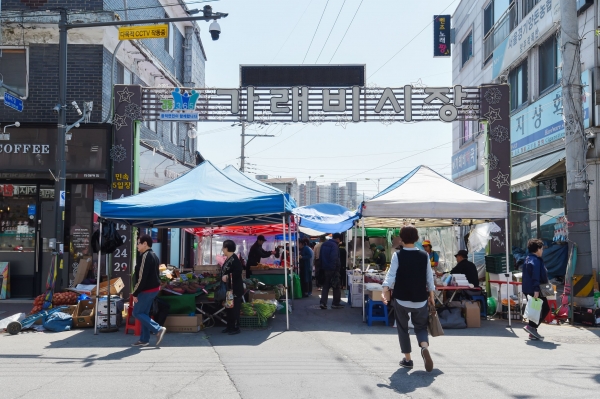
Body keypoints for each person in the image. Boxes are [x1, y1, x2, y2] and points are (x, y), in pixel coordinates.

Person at [382, 226, 435, 372]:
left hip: (401, 298)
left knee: (403, 328)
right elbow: (429, 278)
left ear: (401, 238)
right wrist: (431, 296)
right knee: (420, 327)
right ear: (417, 238)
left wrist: (385, 289)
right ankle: (424, 347)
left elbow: (391, 275)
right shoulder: (424, 255)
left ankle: (408, 359)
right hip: (420, 299)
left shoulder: (398, 255)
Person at [132, 234, 166, 347]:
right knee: (144, 313)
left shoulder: (146, 256)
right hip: (153, 289)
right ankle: (144, 339)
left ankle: (158, 329)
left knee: (137, 312)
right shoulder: (154, 255)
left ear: (145, 243)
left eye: (138, 243)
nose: (137, 245)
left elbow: (142, 277)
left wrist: (135, 292)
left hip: (147, 289)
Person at [522, 239, 550, 341]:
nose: (542, 251)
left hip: (527, 288)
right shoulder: (536, 261)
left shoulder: (527, 258)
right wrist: (536, 290)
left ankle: (532, 332)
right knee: (545, 308)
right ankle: (531, 327)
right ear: (537, 249)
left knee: (535, 309)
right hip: (535, 289)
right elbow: (536, 276)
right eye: (541, 248)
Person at [221, 239, 244, 335]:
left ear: (226, 248)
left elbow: (238, 272)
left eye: (223, 247)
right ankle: (229, 326)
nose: (222, 249)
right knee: (229, 308)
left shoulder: (234, 259)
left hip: (235, 288)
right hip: (229, 289)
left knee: (234, 308)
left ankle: (235, 327)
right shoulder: (228, 258)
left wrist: (228, 276)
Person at [319, 233, 344, 309]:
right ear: (338, 239)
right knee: (336, 286)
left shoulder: (324, 244)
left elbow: (320, 256)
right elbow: (334, 258)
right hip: (332, 269)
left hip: (324, 268)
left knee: (325, 286)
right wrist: (335, 269)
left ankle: (323, 303)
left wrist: (322, 267)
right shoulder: (334, 246)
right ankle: (335, 303)